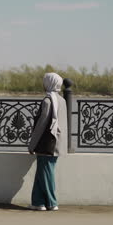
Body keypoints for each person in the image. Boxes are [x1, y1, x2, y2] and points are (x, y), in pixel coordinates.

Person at [28, 72, 68, 211]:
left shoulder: (47, 100)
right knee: (42, 173)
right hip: (57, 142)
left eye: (44, 81)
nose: (43, 84)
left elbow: (41, 125)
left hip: (47, 144)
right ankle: (38, 202)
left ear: (48, 83)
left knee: (46, 172)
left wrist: (32, 144)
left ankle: (52, 202)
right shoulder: (62, 100)